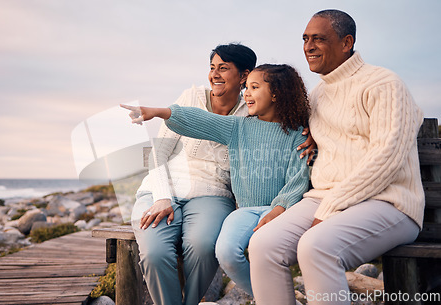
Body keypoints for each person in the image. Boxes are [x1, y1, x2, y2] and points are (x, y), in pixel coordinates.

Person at [248, 9, 425, 305]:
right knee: (264, 244)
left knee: (316, 246)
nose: (309, 46)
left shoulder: (383, 83)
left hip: (390, 202)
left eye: (319, 38)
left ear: (346, 43)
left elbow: (387, 159)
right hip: (325, 199)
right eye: (305, 39)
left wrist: (331, 207)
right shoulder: (318, 96)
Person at [123, 63, 311, 297]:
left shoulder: (298, 134)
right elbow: (201, 120)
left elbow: (298, 178)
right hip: (244, 212)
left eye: (254, 87)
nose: (247, 93)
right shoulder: (239, 127)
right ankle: (267, 297)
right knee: (225, 252)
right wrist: (163, 112)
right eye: (247, 88)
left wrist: (279, 208)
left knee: (255, 249)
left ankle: (275, 298)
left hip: (281, 210)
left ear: (276, 93)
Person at [127, 43, 257, 305]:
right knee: (154, 253)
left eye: (223, 68)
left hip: (212, 194)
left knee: (202, 247)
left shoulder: (251, 112)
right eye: (212, 68)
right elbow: (158, 152)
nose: (214, 75)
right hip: (161, 190)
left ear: (244, 75)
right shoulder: (191, 97)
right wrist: (162, 197)